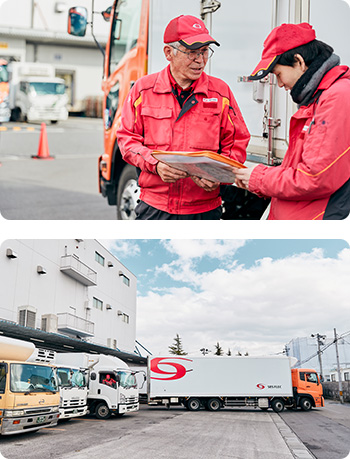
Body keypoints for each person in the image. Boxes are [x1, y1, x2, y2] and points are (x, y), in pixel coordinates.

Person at [117, 15, 250, 220]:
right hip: (155, 207)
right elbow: (127, 139)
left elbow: (236, 142)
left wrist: (219, 176)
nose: (200, 60)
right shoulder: (143, 91)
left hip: (204, 210)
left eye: (205, 51)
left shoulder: (220, 93)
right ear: (168, 53)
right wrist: (155, 164)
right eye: (192, 52)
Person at [233, 23, 350, 220]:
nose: (280, 84)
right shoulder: (319, 98)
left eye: (278, 74)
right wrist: (257, 180)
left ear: (299, 61)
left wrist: (259, 178)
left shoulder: (337, 97)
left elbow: (313, 178)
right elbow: (297, 169)